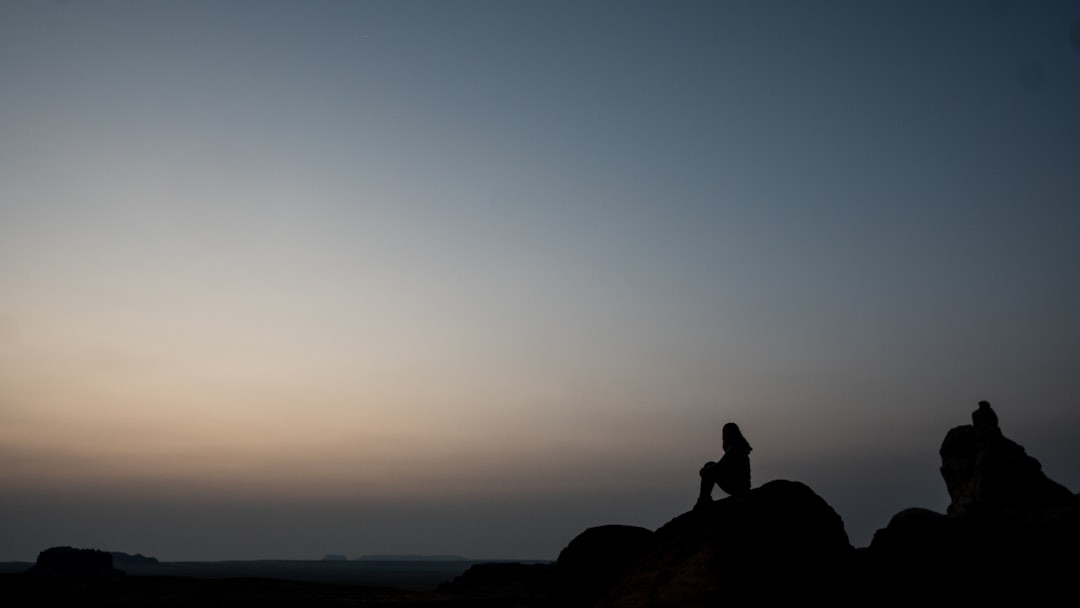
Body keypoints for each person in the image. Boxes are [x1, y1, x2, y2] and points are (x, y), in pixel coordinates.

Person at [697, 422, 752, 507]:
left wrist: (704, 471)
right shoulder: (738, 447)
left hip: (738, 487)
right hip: (742, 485)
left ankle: (703, 500)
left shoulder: (734, 449)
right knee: (710, 466)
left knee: (709, 467)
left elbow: (719, 466)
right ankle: (704, 499)